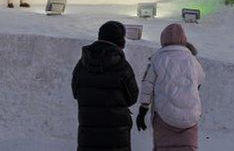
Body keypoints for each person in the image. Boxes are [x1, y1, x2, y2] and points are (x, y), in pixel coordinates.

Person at [72, 21, 139, 151]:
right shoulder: (121, 66)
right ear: (120, 40)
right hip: (116, 135)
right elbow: (132, 98)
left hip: (88, 133)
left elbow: (75, 92)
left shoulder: (82, 64)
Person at [136, 23, 205, 150]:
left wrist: (143, 109)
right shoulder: (192, 60)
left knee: (165, 146)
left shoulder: (157, 59)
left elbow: (147, 84)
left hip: (164, 114)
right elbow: (200, 79)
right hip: (190, 115)